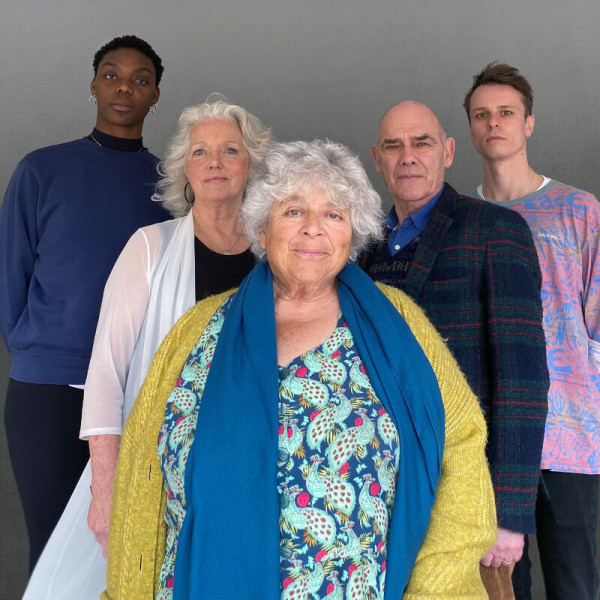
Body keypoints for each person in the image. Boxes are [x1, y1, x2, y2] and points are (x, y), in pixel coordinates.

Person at [103, 139, 495, 599]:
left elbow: (462, 459)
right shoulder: (197, 330)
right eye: (293, 211)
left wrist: (432, 592)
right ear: (262, 230)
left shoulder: (401, 326)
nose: (314, 229)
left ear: (353, 234)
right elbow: (141, 476)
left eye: (333, 214)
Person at [22, 98, 271, 599]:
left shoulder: (276, 252)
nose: (215, 162)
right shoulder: (149, 248)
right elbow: (106, 376)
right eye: (201, 151)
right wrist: (106, 488)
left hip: (253, 469)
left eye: (230, 150)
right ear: (184, 167)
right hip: (158, 468)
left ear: (253, 165)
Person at [360, 101, 549, 598]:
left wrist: (508, 514)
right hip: (381, 489)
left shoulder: (495, 231)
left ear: (446, 152)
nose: (408, 157)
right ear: (377, 159)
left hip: (469, 494)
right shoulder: (358, 248)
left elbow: (523, 380)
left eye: (421, 143)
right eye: (394, 146)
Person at [0, 34, 167, 575]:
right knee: (53, 554)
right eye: (112, 75)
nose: (125, 87)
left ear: (156, 96)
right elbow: (11, 279)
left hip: (134, 392)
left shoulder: (174, 184)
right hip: (48, 391)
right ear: (93, 85)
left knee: (125, 551)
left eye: (140, 79)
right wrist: (40, 352)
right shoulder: (41, 171)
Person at [464, 61, 600, 600]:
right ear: (470, 129)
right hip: (491, 441)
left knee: (576, 586)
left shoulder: (579, 210)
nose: (493, 123)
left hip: (572, 437)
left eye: (506, 113)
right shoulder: (465, 220)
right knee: (497, 590)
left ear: (528, 124)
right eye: (481, 115)